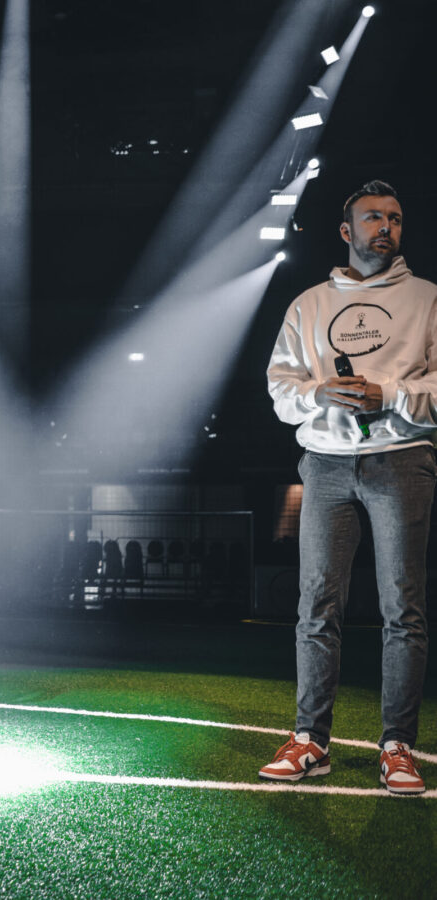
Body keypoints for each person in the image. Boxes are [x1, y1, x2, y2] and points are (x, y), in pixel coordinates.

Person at [264, 180, 435, 795]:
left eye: (394, 218)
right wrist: (320, 393)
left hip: (402, 459)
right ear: (346, 230)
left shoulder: (427, 299)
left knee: (402, 608)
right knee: (316, 605)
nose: (385, 227)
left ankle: (398, 747)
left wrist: (390, 394)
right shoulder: (308, 305)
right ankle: (311, 740)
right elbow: (281, 390)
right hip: (326, 463)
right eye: (372, 218)